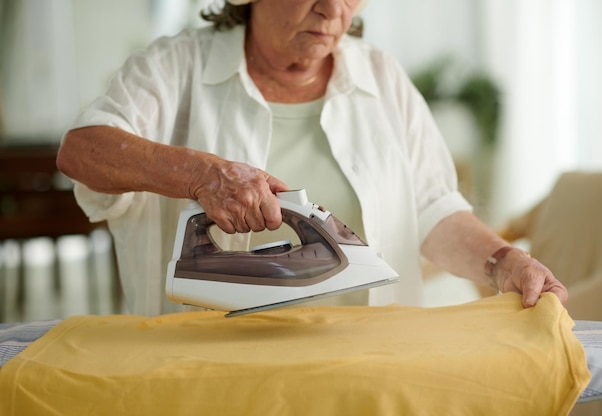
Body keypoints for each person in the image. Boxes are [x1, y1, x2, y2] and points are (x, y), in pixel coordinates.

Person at [56, 0, 568, 316]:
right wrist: (200, 174)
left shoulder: (381, 78)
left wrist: (503, 262)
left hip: (364, 376)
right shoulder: (174, 67)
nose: (333, 9)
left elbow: (434, 209)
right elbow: (82, 149)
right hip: (207, 382)